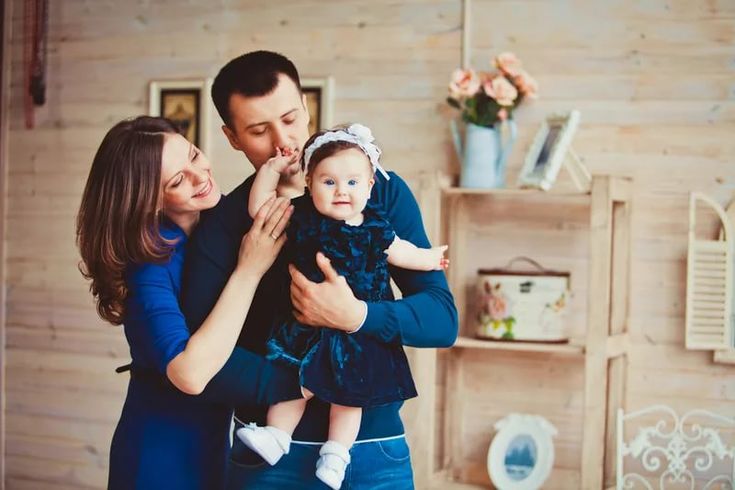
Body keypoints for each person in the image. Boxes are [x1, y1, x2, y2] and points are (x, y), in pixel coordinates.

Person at [181, 50, 458, 489]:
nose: (283, 142)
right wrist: (302, 382)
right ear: (232, 137)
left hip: (372, 450)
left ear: (307, 107)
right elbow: (198, 359)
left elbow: (442, 321)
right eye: (259, 130)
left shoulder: (381, 193)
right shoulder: (225, 223)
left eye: (290, 119)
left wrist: (358, 316)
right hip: (266, 458)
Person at [75, 116, 298, 490]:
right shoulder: (148, 265)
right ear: (148, 200)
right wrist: (249, 270)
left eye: (194, 155)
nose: (200, 176)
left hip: (213, 442)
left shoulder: (218, 224)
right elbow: (190, 375)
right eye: (178, 181)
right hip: (159, 455)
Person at [237, 123, 449, 489]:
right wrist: (270, 170)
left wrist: (430, 259)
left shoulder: (376, 226)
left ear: (369, 186)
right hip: (305, 329)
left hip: (357, 334)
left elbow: (402, 252)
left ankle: (336, 455)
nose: (341, 191)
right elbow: (260, 209)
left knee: (352, 394)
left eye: (352, 182)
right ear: (309, 183)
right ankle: (277, 437)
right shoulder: (301, 217)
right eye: (329, 182)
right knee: (295, 383)